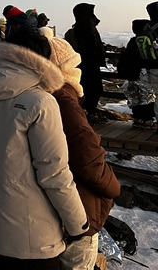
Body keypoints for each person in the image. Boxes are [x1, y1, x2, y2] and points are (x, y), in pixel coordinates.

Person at [0, 30, 88, 269]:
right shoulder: (40, 102)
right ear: (42, 62)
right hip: (33, 237)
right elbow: (54, 173)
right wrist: (78, 224)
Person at [45, 35, 120, 270]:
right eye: (73, 65)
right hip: (77, 213)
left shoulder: (35, 98)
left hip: (48, 215)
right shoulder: (65, 102)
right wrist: (114, 189)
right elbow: (89, 161)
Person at [72, 3, 106, 123]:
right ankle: (89, 113)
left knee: (90, 88)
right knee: (93, 89)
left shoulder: (81, 24)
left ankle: (88, 112)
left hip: (85, 62)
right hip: (89, 62)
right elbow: (91, 43)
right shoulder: (86, 24)